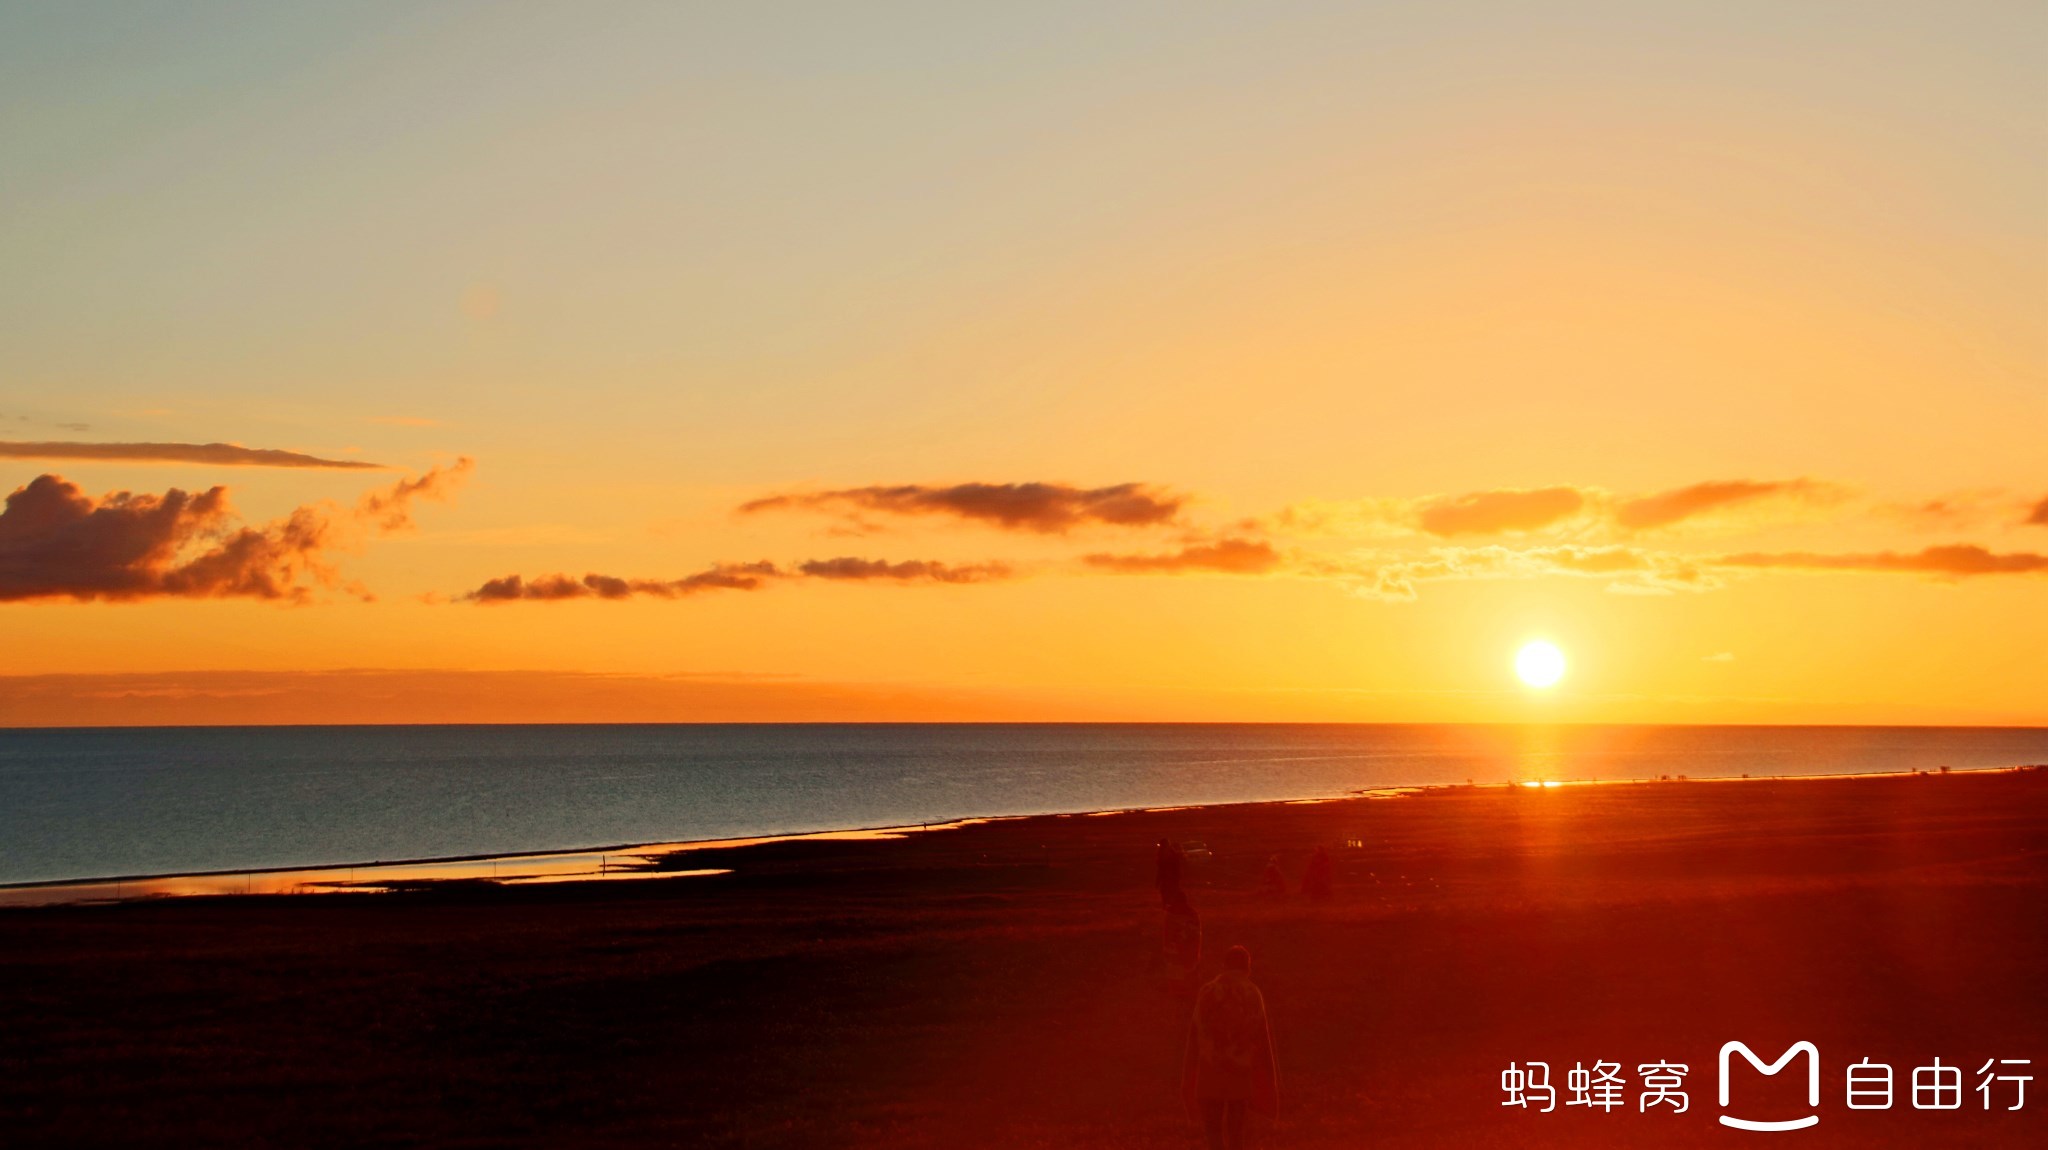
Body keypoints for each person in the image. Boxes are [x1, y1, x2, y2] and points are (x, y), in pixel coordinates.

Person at [1182, 945, 1278, 1150]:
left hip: (1209, 1071)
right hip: (1239, 1072)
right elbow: (1262, 1038)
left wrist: (1189, 1076)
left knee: (1214, 1134)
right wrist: (1267, 1081)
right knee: (1237, 1135)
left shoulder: (1206, 991)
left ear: (1223, 966)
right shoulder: (1252, 993)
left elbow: (1194, 1036)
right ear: (1247, 967)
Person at [1162, 891, 1202, 995]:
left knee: (1186, 983)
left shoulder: (1189, 915)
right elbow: (1167, 934)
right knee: (1179, 984)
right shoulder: (1172, 914)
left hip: (1184, 954)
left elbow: (1195, 936)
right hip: (1177, 955)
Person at [1156, 838, 1185, 908]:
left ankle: (1172, 905)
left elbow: (1175, 866)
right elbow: (1160, 868)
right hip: (1167, 877)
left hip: (1171, 877)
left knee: (1171, 891)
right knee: (1166, 891)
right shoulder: (1164, 854)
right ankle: (1168, 905)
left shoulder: (1170, 854)